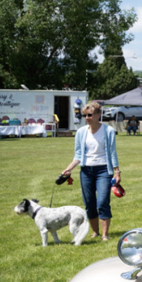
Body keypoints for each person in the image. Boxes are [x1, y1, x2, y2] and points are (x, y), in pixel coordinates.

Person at [60, 101, 121, 241]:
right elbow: (78, 154)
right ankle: (95, 232)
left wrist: (117, 172)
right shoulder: (81, 132)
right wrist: (68, 169)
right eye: (85, 115)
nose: (87, 118)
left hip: (103, 170)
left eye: (90, 115)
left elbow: (112, 153)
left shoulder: (108, 131)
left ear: (98, 115)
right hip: (86, 171)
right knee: (89, 202)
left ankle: (105, 234)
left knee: (103, 201)